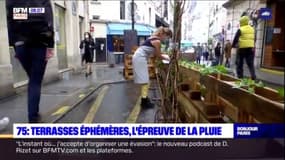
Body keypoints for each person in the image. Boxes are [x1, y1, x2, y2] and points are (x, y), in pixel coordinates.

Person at [6, 0, 54, 123]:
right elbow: (48, 21)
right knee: (35, 82)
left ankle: (34, 115)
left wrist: (15, 44)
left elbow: (10, 20)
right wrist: (50, 45)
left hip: (21, 45)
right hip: (40, 44)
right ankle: (33, 118)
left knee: (33, 80)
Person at [132, 27, 172, 108]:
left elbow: (155, 53)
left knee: (145, 80)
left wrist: (163, 55)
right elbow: (158, 55)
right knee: (145, 80)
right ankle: (144, 102)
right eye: (168, 37)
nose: (167, 39)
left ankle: (145, 99)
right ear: (164, 34)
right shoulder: (157, 41)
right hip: (140, 58)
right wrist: (168, 58)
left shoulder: (154, 38)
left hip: (139, 57)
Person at [232, 16, 256, 80]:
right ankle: (253, 76)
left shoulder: (240, 29)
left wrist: (233, 46)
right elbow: (254, 38)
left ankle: (240, 77)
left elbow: (235, 39)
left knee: (240, 63)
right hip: (250, 48)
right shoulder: (252, 29)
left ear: (241, 22)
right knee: (250, 63)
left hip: (242, 48)